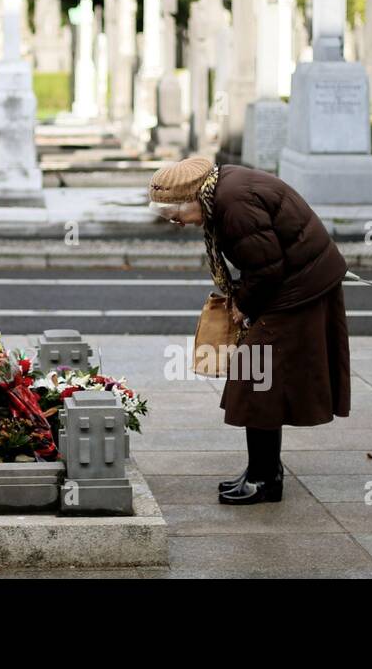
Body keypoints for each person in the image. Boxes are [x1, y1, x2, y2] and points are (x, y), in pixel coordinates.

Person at [148, 156, 350, 505]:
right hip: (295, 279)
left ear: (194, 198)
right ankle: (264, 471)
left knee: (255, 377)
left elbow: (267, 269)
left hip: (300, 285)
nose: (178, 224)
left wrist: (243, 305)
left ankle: (264, 479)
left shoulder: (234, 205)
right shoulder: (221, 190)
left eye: (176, 215)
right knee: (261, 379)